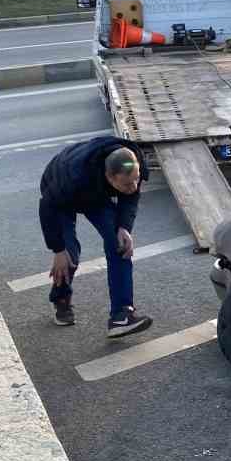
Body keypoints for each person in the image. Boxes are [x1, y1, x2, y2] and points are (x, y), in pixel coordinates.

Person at [38, 137, 151, 337]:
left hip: (95, 193)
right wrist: (58, 250)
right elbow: (47, 207)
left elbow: (131, 196)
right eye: (127, 183)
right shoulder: (71, 178)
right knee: (69, 254)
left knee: (120, 245)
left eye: (136, 178)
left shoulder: (133, 163)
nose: (134, 186)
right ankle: (61, 299)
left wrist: (124, 227)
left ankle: (121, 315)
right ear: (110, 176)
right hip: (60, 193)